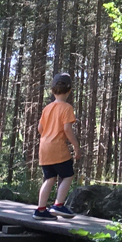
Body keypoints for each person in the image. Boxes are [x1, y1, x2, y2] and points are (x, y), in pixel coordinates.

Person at [35, 72, 82, 218]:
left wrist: (48, 134)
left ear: (52, 90)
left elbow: (40, 128)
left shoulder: (47, 108)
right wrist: (76, 146)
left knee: (49, 179)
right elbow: (67, 129)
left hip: (44, 147)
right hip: (57, 146)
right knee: (68, 175)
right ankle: (58, 205)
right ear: (69, 90)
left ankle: (40, 210)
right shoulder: (66, 108)